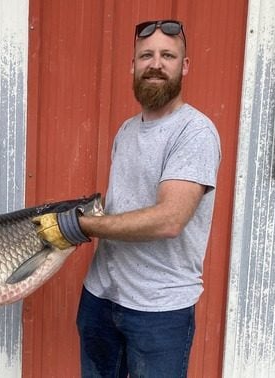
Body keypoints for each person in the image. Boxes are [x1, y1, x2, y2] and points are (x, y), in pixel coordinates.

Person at [34, 20, 221, 377]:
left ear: (185, 66)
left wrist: (80, 225)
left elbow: (170, 220)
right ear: (132, 66)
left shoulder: (194, 132)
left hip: (159, 310)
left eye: (168, 56)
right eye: (146, 56)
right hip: (101, 298)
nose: (156, 64)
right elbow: (124, 205)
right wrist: (77, 215)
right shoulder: (127, 129)